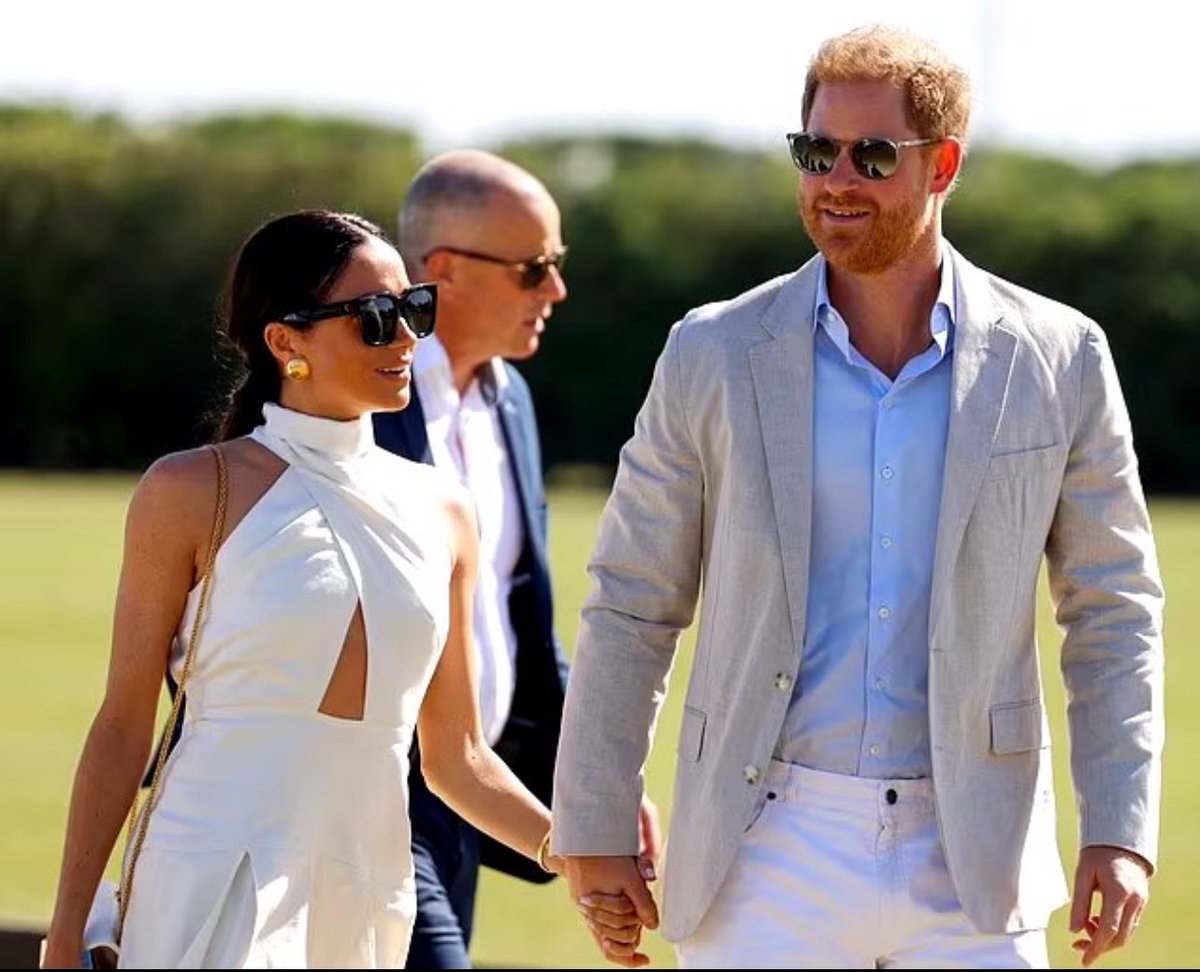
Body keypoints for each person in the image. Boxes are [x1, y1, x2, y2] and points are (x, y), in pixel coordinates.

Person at [552, 24, 1165, 970]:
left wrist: (1119, 829)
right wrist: (592, 818)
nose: (837, 178)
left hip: (974, 853)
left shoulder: (1061, 356)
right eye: (816, 151)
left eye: (873, 155)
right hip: (763, 844)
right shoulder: (711, 352)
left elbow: (1113, 610)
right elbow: (634, 599)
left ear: (943, 165)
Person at [40, 209, 634, 969]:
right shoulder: (190, 489)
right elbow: (123, 728)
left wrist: (579, 855)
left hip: (367, 886)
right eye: (377, 319)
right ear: (286, 342)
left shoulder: (445, 509)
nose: (408, 339)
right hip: (212, 873)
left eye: (415, 309)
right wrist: (64, 938)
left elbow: (456, 759)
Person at [373, 149, 661, 969]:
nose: (556, 291)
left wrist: (603, 780)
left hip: (471, 801)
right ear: (444, 272)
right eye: (534, 269)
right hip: (367, 804)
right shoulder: (359, 393)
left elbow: (523, 620)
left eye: (557, 265)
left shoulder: (511, 398)